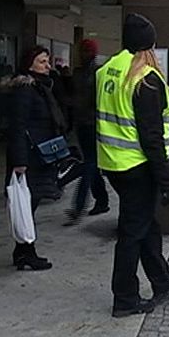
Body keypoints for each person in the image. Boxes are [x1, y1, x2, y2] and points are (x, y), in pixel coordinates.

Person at [97, 13, 169, 317]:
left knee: (146, 225)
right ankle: (125, 299)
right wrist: (166, 179)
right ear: (150, 45)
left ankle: (161, 279)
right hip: (138, 165)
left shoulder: (107, 70)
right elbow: (152, 137)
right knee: (133, 232)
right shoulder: (145, 79)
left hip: (113, 163)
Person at [6, 46, 67, 271]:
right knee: (26, 205)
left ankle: (22, 251)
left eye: (47, 61)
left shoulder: (42, 87)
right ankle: (26, 252)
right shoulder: (25, 89)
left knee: (30, 204)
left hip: (39, 154)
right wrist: (19, 161)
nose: (48, 66)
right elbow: (18, 126)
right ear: (29, 64)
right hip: (29, 157)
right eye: (42, 61)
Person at [63, 39, 111, 226]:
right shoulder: (79, 73)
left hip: (93, 124)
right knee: (91, 164)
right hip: (83, 123)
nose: (82, 54)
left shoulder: (98, 73)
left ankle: (79, 205)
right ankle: (102, 200)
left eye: (86, 50)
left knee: (89, 164)